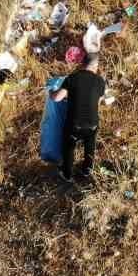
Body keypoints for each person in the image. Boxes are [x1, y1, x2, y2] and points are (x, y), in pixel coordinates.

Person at [49, 52, 107, 183]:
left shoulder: (72, 78)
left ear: (82, 63)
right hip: (92, 124)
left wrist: (50, 92)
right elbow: (98, 102)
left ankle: (67, 174)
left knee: (69, 146)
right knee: (90, 144)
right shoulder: (100, 81)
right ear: (95, 65)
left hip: (74, 125)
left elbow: (57, 98)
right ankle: (87, 170)